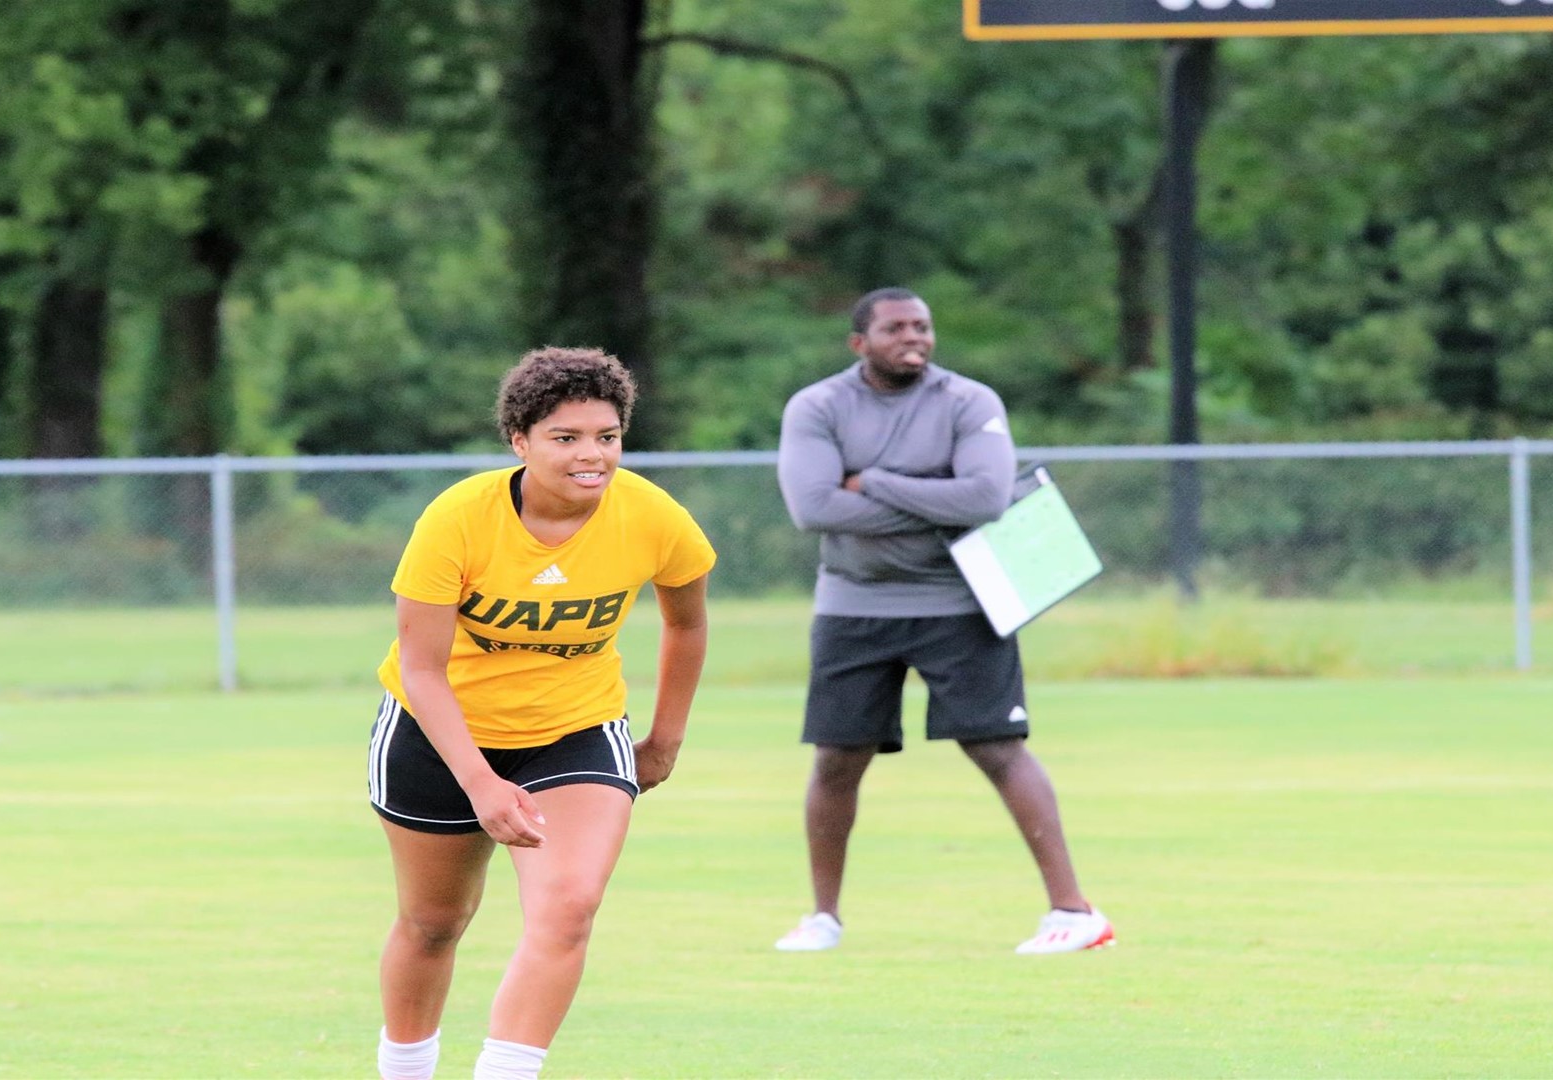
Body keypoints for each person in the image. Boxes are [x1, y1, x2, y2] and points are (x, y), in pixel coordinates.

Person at [369, 347, 715, 1080]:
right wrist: (479, 782)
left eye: (608, 435)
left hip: (575, 731)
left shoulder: (653, 516)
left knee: (568, 909)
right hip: (440, 736)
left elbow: (687, 623)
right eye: (566, 438)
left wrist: (666, 739)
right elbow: (424, 670)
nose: (592, 455)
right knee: (433, 924)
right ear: (520, 442)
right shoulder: (457, 519)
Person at [771, 287, 1112, 956]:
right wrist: (935, 496)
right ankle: (823, 919)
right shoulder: (817, 407)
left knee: (997, 749)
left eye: (923, 327)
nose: (914, 339)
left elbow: (985, 497)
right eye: (896, 328)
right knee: (837, 759)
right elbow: (813, 508)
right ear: (860, 343)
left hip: (962, 604)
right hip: (853, 605)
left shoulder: (969, 400)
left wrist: (870, 482)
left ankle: (1074, 914)